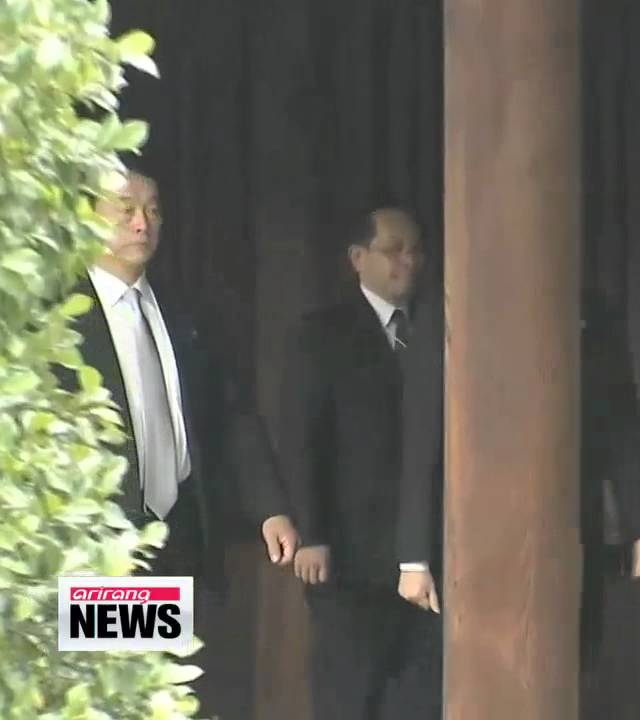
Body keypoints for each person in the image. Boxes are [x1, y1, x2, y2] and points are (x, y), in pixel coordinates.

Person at [65, 165, 299, 580]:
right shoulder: (62, 317)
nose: (142, 224)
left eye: (153, 211)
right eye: (126, 210)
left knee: (177, 626)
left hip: (180, 538)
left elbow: (232, 413)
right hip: (96, 548)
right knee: (112, 626)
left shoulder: (184, 311)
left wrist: (270, 507)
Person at [278, 206, 441, 719]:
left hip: (427, 554)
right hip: (349, 556)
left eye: (415, 251)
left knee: (417, 699)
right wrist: (312, 533)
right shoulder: (322, 335)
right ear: (357, 258)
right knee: (350, 693)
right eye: (393, 250)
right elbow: (301, 439)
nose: (407, 261)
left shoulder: (436, 328)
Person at [579, 287, 640, 680]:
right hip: (482, 531)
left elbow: (621, 424)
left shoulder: (593, 311)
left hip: (575, 524)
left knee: (578, 659)